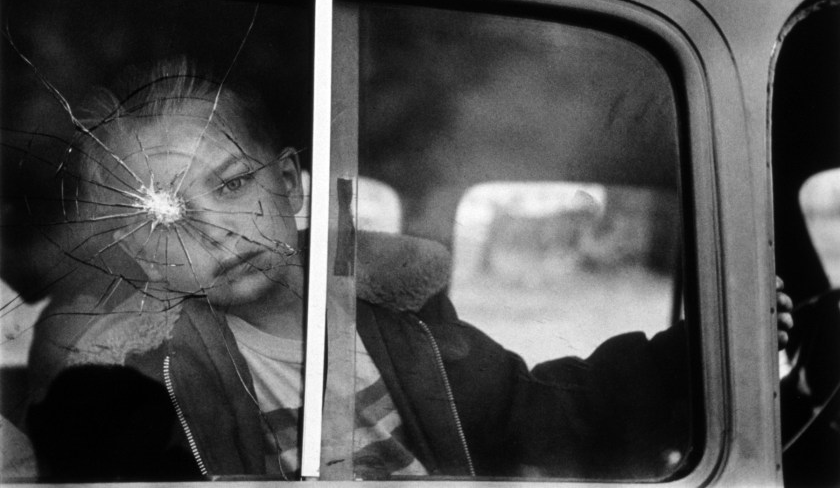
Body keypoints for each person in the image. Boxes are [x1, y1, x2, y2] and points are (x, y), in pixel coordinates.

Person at [25, 59, 793, 481]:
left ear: (289, 184)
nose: (220, 231)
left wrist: (702, 358)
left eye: (231, 185)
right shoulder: (149, 382)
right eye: (169, 216)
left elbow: (556, 413)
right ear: (141, 249)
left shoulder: (409, 329)